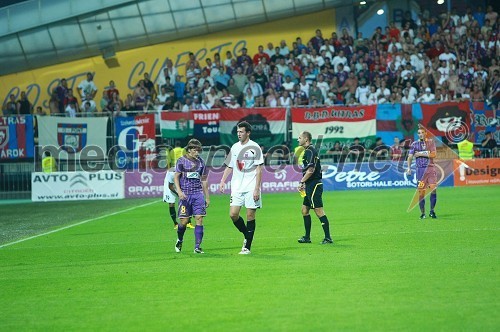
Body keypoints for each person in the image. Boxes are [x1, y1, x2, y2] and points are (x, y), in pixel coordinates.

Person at [219, 121, 264, 255]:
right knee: (233, 214)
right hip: (237, 186)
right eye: (238, 132)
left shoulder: (255, 147)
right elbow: (229, 166)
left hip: (251, 186)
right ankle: (247, 234)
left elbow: (259, 169)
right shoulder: (234, 147)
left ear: (248, 133)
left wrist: (257, 188)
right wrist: (222, 181)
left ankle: (247, 247)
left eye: (241, 132)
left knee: (250, 214)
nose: (239, 134)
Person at [173, 139, 210, 254]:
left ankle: (197, 247)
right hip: (185, 195)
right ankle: (180, 239)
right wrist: (179, 191)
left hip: (198, 194)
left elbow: (204, 180)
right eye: (195, 149)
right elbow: (176, 177)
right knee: (183, 222)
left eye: (198, 150)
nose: (197, 152)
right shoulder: (181, 161)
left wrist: (207, 197)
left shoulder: (202, 162)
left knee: (199, 219)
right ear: (189, 150)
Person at [297, 131, 333, 244]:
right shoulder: (309, 151)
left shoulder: (310, 151)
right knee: (304, 210)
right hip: (310, 184)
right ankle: (307, 237)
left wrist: (301, 181)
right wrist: (304, 183)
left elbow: (311, 170)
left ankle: (328, 238)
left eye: (300, 138)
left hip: (314, 185)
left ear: (306, 139)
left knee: (319, 211)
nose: (298, 140)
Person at [406, 127, 438, 219]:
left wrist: (420, 154)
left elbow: (434, 154)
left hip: (431, 169)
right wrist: (408, 168)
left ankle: (432, 211)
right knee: (421, 193)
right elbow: (410, 157)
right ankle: (423, 213)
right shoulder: (414, 144)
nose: (421, 134)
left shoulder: (431, 142)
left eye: (422, 132)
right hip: (420, 171)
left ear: (425, 133)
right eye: (419, 133)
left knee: (433, 189)